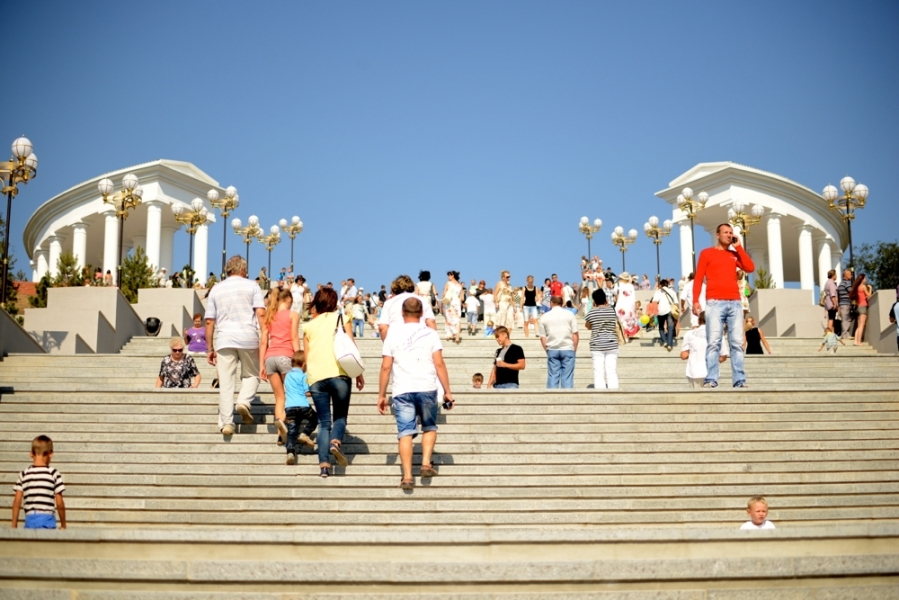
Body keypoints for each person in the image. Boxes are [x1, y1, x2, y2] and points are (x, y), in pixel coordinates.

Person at [377, 297, 455, 489]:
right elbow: (439, 363)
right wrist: (447, 391)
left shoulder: (392, 335)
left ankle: (407, 477)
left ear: (402, 313)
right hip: (427, 386)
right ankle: (426, 463)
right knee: (429, 426)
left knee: (405, 433)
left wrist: (381, 395)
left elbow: (386, 367)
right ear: (421, 314)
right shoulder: (430, 333)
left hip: (402, 389)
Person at [304, 287, 365, 478]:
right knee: (340, 417)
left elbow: (306, 358)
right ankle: (335, 441)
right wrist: (358, 373)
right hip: (340, 374)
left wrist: (307, 382)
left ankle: (323, 465)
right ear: (334, 302)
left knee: (323, 423)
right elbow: (351, 347)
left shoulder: (309, 326)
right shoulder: (342, 318)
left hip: (316, 378)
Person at [205, 255, 266, 436]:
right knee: (252, 374)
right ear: (243, 270)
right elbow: (261, 313)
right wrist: (265, 335)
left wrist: (209, 348)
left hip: (224, 339)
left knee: (226, 383)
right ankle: (244, 402)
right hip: (248, 337)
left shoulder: (216, 289)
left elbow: (209, 321)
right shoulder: (252, 286)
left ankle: (227, 423)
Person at [692, 224, 755, 389]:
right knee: (714, 342)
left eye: (731, 233)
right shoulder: (707, 253)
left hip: (734, 302)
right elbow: (698, 277)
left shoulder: (734, 254)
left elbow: (750, 267)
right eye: (726, 232)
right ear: (718, 234)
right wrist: (695, 300)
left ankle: (739, 380)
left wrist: (739, 247)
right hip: (714, 302)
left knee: (736, 343)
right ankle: (711, 379)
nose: (729, 235)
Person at [260, 287, 301, 444]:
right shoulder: (293, 315)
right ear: (289, 300)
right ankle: (285, 425)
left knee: (279, 399)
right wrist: (300, 360)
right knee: (292, 395)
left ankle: (279, 433)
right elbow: (294, 337)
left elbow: (263, 342)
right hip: (286, 356)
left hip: (270, 358)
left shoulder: (269, 316)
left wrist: (261, 365)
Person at [11, 435, 66, 529]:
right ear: (51, 454)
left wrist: (14, 525)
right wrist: (63, 524)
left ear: (31, 454)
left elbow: (17, 501)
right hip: (47, 519)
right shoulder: (53, 473)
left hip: (30, 519)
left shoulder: (24, 474)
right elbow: (59, 503)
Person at [378, 274, 437, 341]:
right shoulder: (422, 301)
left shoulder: (389, 303)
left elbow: (382, 327)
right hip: (419, 339)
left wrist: (387, 345)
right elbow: (431, 322)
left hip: (396, 340)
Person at [283, 350, 317, 465]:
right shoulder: (304, 376)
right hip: (303, 406)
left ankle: (290, 452)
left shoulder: (287, 376)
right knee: (315, 419)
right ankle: (305, 433)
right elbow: (307, 392)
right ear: (303, 364)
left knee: (292, 431)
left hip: (290, 407)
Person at [538, 296, 579, 389]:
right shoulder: (570, 315)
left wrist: (547, 349)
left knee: (553, 376)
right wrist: (574, 348)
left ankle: (552, 399)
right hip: (567, 347)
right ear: (562, 302)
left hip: (552, 348)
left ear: (551, 303)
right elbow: (575, 334)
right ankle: (567, 399)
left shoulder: (544, 316)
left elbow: (542, 337)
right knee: (567, 377)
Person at [680, 312, 729, 388]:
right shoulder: (718, 334)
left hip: (694, 372)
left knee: (696, 398)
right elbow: (723, 356)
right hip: (712, 373)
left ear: (699, 321)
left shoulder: (689, 334)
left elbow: (683, 355)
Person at [585, 288, 618, 389]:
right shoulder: (612, 311)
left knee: (598, 371)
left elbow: (588, 326)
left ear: (594, 300)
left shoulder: (591, 313)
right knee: (611, 370)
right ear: (605, 298)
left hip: (597, 345)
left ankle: (600, 392)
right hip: (612, 343)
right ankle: (614, 391)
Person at [652, 279, 677, 351]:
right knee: (670, 328)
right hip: (669, 311)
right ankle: (670, 344)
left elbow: (655, 301)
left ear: (661, 285)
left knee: (661, 327)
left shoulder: (658, 292)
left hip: (660, 311)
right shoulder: (672, 292)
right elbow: (676, 303)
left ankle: (664, 341)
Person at [613, 272, 640, 339]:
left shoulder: (618, 284)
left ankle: (623, 335)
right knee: (629, 320)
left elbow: (615, 294)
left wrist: (617, 301)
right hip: (630, 305)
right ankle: (627, 334)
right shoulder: (630, 286)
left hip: (621, 304)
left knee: (621, 319)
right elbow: (634, 297)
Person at [441, 270, 464, 344]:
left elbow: (444, 294)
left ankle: (449, 334)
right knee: (457, 319)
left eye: (449, 275)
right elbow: (462, 298)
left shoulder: (448, 283)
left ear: (452, 275)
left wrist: (441, 304)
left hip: (449, 302)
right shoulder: (460, 286)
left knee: (448, 318)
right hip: (457, 302)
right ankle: (457, 336)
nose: (448, 277)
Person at [850, 273, 871, 346]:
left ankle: (856, 341)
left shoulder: (858, 287)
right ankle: (859, 342)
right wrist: (870, 288)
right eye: (865, 278)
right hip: (863, 306)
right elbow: (869, 296)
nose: (866, 279)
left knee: (859, 325)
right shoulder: (863, 286)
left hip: (859, 307)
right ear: (862, 279)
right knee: (862, 325)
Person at [837, 269, 854, 339]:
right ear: (846, 275)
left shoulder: (841, 283)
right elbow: (851, 292)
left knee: (845, 319)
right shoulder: (847, 283)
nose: (851, 276)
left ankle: (845, 334)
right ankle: (845, 334)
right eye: (850, 274)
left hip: (842, 303)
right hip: (846, 303)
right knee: (846, 319)